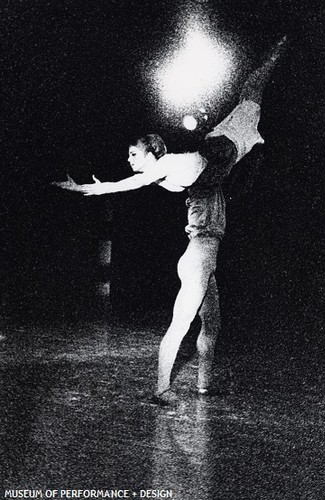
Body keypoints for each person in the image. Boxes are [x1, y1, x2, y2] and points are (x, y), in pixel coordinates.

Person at [54, 36, 287, 405]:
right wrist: (89, 189)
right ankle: (161, 389)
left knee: (213, 324)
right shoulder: (163, 169)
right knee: (181, 323)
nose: (131, 158)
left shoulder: (166, 165)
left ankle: (204, 384)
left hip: (218, 162)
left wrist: (95, 188)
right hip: (200, 246)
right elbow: (131, 182)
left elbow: (137, 179)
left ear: (152, 151)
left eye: (134, 153)